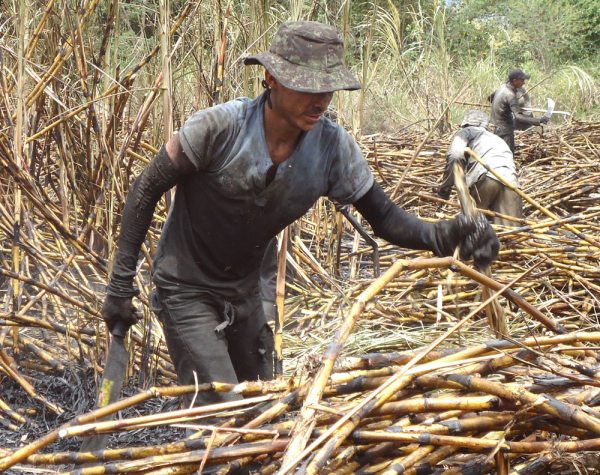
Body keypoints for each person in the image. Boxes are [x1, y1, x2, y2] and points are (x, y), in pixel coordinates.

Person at [101, 21, 499, 406]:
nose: (321, 100)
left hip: (246, 291)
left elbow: (386, 219)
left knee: (266, 408)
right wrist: (120, 285)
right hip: (186, 288)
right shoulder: (218, 129)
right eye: (308, 87)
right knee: (221, 412)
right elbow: (145, 188)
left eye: (328, 88)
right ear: (271, 79)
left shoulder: (332, 149)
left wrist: (446, 235)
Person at [438, 110, 522, 226]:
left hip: (486, 177)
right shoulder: (497, 139)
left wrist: (444, 192)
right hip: (511, 182)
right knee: (509, 233)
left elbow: (455, 156)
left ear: (465, 124)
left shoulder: (465, 132)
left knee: (473, 228)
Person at [489, 68, 549, 152]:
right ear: (515, 81)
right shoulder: (510, 95)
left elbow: (490, 98)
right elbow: (518, 117)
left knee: (498, 153)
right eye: (522, 80)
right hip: (505, 130)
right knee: (508, 154)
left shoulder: (502, 87)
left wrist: (505, 106)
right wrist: (538, 121)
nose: (524, 82)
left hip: (496, 128)